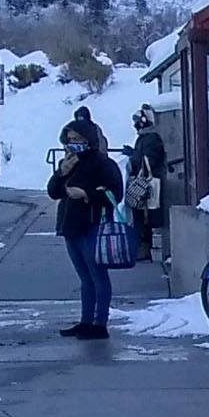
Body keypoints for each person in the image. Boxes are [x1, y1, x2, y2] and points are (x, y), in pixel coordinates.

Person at [47, 118, 123, 339]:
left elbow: (114, 194)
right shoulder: (69, 162)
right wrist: (61, 172)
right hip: (71, 227)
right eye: (69, 140)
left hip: (93, 225)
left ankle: (100, 323)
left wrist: (87, 193)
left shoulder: (102, 163)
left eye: (78, 139)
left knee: (98, 276)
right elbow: (53, 192)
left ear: (88, 140)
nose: (73, 144)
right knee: (85, 278)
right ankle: (86, 320)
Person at [127, 104, 166, 262]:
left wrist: (134, 156)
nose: (135, 125)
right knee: (141, 217)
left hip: (147, 185)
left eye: (138, 121)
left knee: (143, 218)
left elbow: (149, 160)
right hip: (144, 183)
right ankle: (141, 248)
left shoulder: (151, 138)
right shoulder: (145, 138)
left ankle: (143, 249)